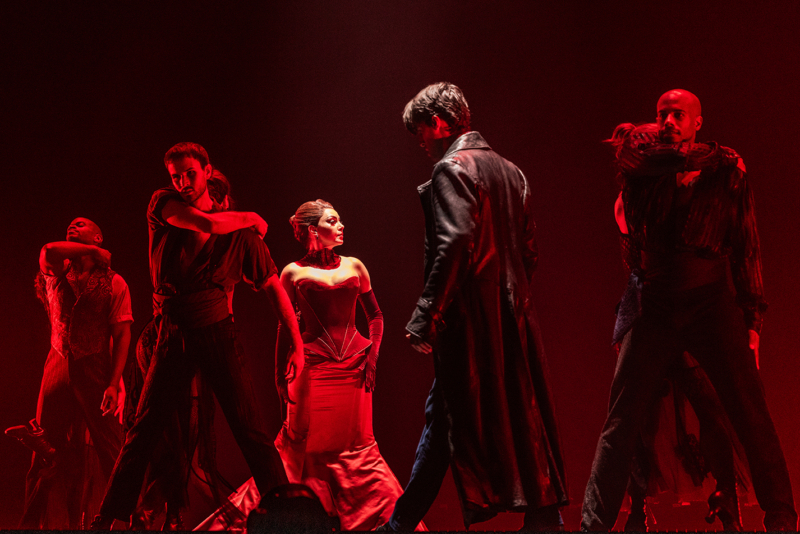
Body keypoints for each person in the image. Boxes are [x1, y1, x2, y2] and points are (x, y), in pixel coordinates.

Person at [581, 90, 797, 531]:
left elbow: (746, 245)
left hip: (710, 300)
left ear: (698, 121)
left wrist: (752, 320)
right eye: (662, 113)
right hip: (655, 301)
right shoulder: (646, 163)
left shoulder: (727, 171)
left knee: (748, 410)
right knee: (621, 421)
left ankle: (781, 516)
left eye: (678, 114)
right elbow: (636, 216)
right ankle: (594, 524)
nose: (668, 121)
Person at [380, 82, 569, 531]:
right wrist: (512, 300)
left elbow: (456, 244)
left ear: (439, 123)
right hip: (512, 314)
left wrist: (427, 314)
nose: (422, 143)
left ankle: (399, 525)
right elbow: (530, 252)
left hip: (469, 320)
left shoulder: (452, 169)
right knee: (516, 412)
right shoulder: (511, 171)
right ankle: (545, 519)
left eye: (421, 132)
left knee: (447, 415)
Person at [90, 142, 304, 529]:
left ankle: (289, 516)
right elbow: (206, 224)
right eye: (177, 175)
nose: (183, 181)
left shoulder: (241, 237)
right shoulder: (165, 205)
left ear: (207, 170)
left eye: (190, 173)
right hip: (171, 331)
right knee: (144, 428)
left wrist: (298, 343)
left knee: (250, 429)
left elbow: (274, 287)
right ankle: (108, 516)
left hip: (217, 333)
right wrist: (252, 216)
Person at [198, 199, 424, 531]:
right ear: (312, 230)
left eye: (340, 220)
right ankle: (286, 517)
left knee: (358, 450)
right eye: (333, 220)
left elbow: (375, 316)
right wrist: (278, 374)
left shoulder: (356, 266)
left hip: (356, 368)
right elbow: (283, 324)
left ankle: (377, 517)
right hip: (311, 366)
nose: (341, 225)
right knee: (297, 445)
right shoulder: (292, 271)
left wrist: (372, 358)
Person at [9, 217, 132, 529]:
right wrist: (88, 250)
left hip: (95, 366)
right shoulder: (55, 269)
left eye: (81, 224)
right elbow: (48, 249)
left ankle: (133, 517)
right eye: (70, 227)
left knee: (110, 449)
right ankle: (29, 523)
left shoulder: (115, 282)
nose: (73, 226)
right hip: (58, 362)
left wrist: (115, 382)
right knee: (43, 447)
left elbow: (122, 336)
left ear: (98, 236)